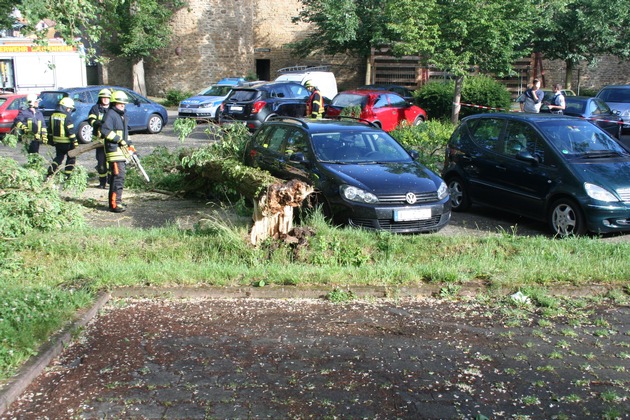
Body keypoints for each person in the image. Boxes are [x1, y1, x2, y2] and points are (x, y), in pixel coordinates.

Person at [101, 90, 134, 213]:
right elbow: (105, 131)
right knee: (117, 178)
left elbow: (125, 135)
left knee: (120, 178)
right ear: (114, 103)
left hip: (121, 152)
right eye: (120, 103)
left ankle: (117, 201)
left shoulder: (122, 115)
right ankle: (114, 204)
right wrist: (119, 140)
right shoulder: (110, 114)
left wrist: (130, 146)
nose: (122, 105)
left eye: (124, 104)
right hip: (114, 152)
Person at [46, 97, 78, 179]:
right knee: (71, 158)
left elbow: (49, 129)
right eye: (69, 109)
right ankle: (67, 175)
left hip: (57, 142)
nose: (69, 111)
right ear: (66, 107)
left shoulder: (53, 115)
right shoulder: (66, 116)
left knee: (59, 157)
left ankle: (51, 171)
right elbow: (70, 131)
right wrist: (74, 142)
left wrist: (50, 140)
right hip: (67, 142)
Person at [88, 88, 112, 189]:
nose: (105, 99)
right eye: (104, 98)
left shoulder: (112, 108)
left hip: (111, 139)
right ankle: (102, 182)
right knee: (101, 161)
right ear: (100, 98)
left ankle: (111, 181)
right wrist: (97, 123)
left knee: (111, 161)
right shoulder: (95, 108)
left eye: (107, 98)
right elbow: (91, 120)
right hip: (99, 139)